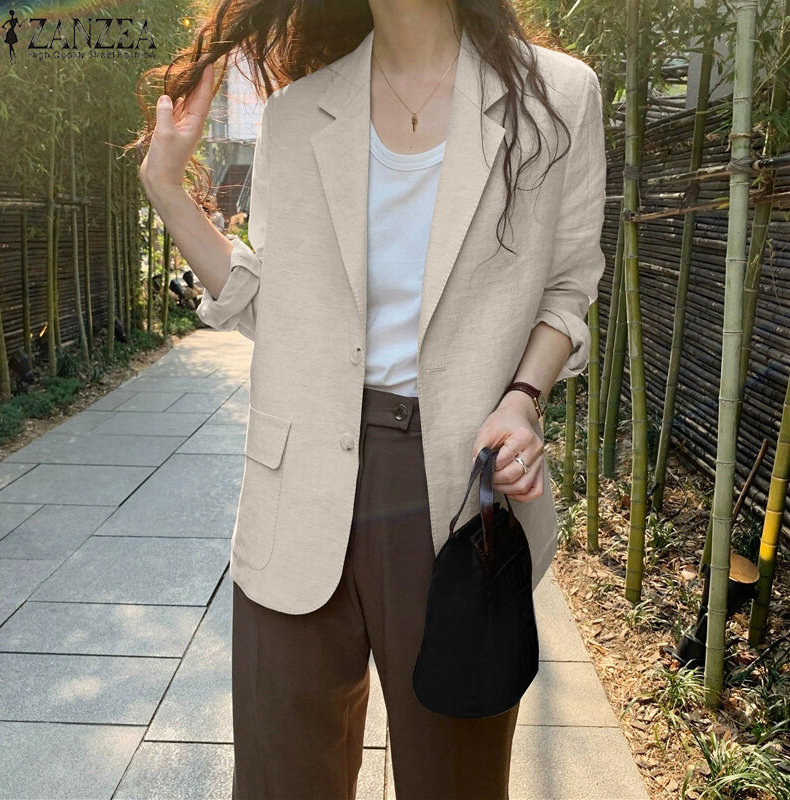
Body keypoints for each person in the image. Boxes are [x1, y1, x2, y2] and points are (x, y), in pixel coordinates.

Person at [135, 2, 606, 798]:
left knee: (454, 781)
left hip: (455, 491)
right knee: (282, 782)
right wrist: (166, 189)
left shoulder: (556, 96)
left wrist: (523, 397)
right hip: (296, 488)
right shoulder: (297, 114)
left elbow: (567, 289)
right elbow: (275, 308)